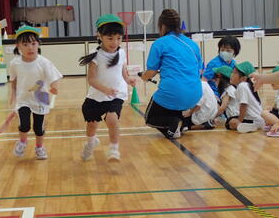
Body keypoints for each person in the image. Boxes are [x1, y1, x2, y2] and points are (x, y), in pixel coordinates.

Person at [78, 14, 136, 161]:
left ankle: (114, 149)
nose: (115, 42)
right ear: (100, 36)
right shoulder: (95, 55)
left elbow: (122, 71)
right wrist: (104, 89)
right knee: (91, 125)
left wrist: (128, 79)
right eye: (110, 38)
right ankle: (91, 142)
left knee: (112, 119)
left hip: (116, 94)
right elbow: (91, 79)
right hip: (96, 96)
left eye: (118, 38)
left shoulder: (121, 53)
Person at [140, 9, 203, 139]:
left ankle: (173, 124)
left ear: (162, 25)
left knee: (150, 117)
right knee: (174, 102)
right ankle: (183, 123)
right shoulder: (192, 44)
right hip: (195, 93)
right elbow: (199, 70)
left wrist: (144, 77)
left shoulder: (159, 43)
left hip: (173, 93)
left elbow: (150, 73)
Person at [10, 26, 62, 160]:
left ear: (38, 44)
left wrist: (54, 87)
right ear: (18, 46)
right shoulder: (15, 63)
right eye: (25, 44)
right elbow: (14, 80)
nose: (30, 48)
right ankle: (22, 142)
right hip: (23, 99)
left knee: (38, 127)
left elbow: (53, 77)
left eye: (33, 43)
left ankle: (39, 147)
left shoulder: (44, 62)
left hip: (40, 99)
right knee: (25, 124)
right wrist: (13, 95)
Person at [226, 61, 264, 133]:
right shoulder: (247, 86)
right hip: (257, 119)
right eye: (232, 72)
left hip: (252, 119)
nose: (231, 75)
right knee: (230, 120)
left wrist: (239, 120)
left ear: (243, 78)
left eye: (234, 73)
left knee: (230, 122)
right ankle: (247, 125)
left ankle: (245, 125)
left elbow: (243, 105)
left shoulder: (242, 85)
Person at [261, 63, 279, 137]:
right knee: (268, 110)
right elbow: (277, 107)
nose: (272, 82)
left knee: (264, 113)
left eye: (276, 79)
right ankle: (275, 125)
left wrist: (278, 123)